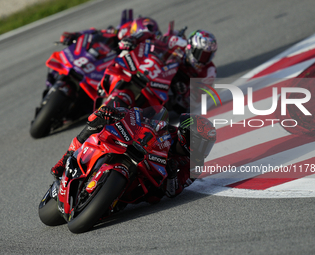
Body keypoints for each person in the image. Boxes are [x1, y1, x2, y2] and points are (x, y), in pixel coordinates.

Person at [51, 105, 216, 200]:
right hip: (138, 152)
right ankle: (65, 157)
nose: (202, 150)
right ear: (186, 134)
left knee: (153, 197)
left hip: (151, 183)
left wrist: (172, 175)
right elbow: (143, 117)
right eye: (200, 144)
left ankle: (111, 197)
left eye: (206, 146)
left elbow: (174, 192)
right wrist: (120, 113)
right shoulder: (169, 130)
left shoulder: (195, 167)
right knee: (99, 117)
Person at [117, 28, 218, 114]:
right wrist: (134, 39)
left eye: (208, 56)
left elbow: (197, 99)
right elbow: (153, 37)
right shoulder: (177, 42)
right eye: (202, 54)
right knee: (123, 54)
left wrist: (185, 91)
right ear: (190, 46)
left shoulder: (209, 71)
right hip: (152, 72)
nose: (203, 60)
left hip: (173, 94)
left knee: (178, 108)